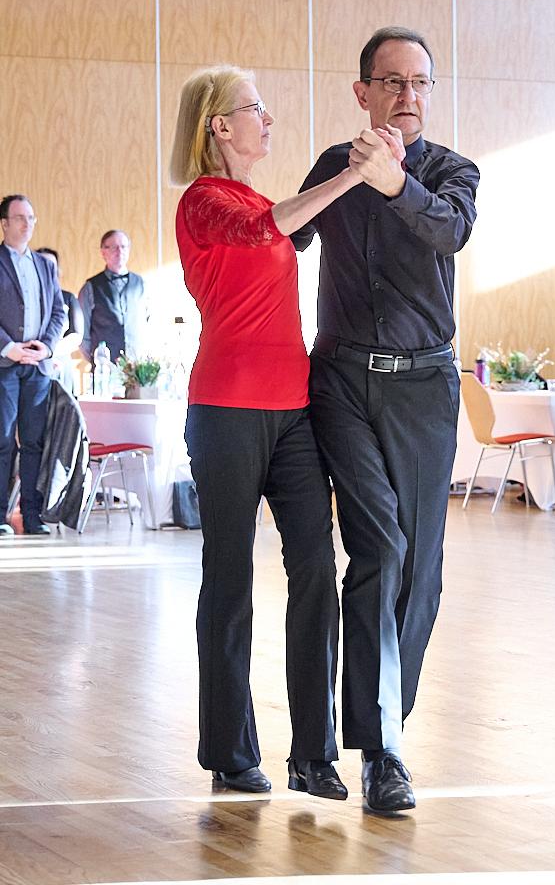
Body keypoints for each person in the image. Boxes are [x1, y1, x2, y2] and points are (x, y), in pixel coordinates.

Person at [169, 65, 396, 798]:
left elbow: (281, 222)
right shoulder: (205, 202)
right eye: (254, 109)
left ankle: (312, 754)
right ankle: (230, 754)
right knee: (231, 579)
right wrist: (350, 176)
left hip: (292, 410)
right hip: (226, 412)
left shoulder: (264, 201)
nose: (267, 119)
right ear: (219, 126)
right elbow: (263, 228)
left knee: (316, 571)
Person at [293, 26, 480, 813]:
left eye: (420, 83)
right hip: (339, 381)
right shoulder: (331, 164)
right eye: (393, 81)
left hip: (423, 389)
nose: (408, 95)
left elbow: (449, 231)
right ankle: (380, 751)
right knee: (379, 546)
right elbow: (282, 236)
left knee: (419, 569)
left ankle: (382, 741)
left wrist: (393, 183)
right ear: (362, 91)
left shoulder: (452, 172)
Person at [0, 195, 65, 537]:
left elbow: (58, 311)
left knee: (34, 443)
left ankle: (32, 515)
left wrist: (47, 346)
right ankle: (0, 516)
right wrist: (9, 348)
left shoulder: (45, 264)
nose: (27, 224)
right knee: (3, 441)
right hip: (5, 364)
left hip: (37, 366)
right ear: (4, 224)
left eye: (31, 218)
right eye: (20, 218)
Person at [78, 230, 147, 364]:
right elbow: (82, 334)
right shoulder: (90, 287)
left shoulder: (141, 284)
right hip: (105, 366)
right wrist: (97, 361)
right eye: (114, 247)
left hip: (137, 366)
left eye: (123, 247)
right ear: (103, 252)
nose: (120, 251)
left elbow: (149, 323)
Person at [36, 248, 84, 394]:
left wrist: (49, 352)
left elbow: (76, 336)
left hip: (61, 365)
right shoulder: (24, 299)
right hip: (32, 364)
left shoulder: (68, 298)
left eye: (51, 265)